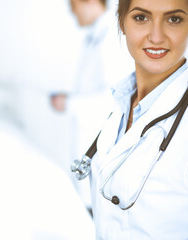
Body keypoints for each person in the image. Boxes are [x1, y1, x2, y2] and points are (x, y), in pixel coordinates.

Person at [82, 0, 188, 238]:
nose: (157, 36)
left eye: (174, 19)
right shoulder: (120, 104)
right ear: (121, 22)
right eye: (141, 18)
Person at [51, 0, 134, 211]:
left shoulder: (113, 38)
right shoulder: (95, 37)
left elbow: (116, 97)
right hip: (92, 146)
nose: (71, 10)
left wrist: (68, 103)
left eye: (73, 4)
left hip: (104, 151)